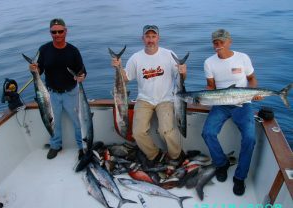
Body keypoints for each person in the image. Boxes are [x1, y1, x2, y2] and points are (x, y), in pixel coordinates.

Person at [111, 25, 187, 167]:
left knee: (166, 131)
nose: (150, 40)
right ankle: (154, 154)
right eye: (147, 37)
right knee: (137, 132)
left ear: (158, 38)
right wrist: (118, 66)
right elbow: (126, 78)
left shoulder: (169, 55)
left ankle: (176, 155)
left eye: (153, 36)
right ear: (143, 38)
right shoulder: (136, 58)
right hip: (144, 99)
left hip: (166, 99)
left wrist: (183, 71)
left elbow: (182, 78)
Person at [201, 29, 262, 195]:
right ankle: (222, 164)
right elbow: (211, 87)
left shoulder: (243, 57)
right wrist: (205, 96)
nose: (218, 45)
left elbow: (252, 79)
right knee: (207, 133)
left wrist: (253, 92)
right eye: (215, 42)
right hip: (221, 103)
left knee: (249, 138)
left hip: (243, 102)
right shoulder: (209, 62)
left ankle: (240, 177)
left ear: (229, 41)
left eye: (221, 42)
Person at [29, 18, 86, 160]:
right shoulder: (44, 49)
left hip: (71, 93)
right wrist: (34, 70)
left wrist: (81, 76)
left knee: (78, 122)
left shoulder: (73, 51)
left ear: (66, 31)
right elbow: (39, 71)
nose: (57, 34)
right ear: (50, 33)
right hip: (51, 94)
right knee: (52, 122)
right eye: (54, 32)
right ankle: (55, 145)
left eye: (60, 31)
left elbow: (82, 70)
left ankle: (82, 147)